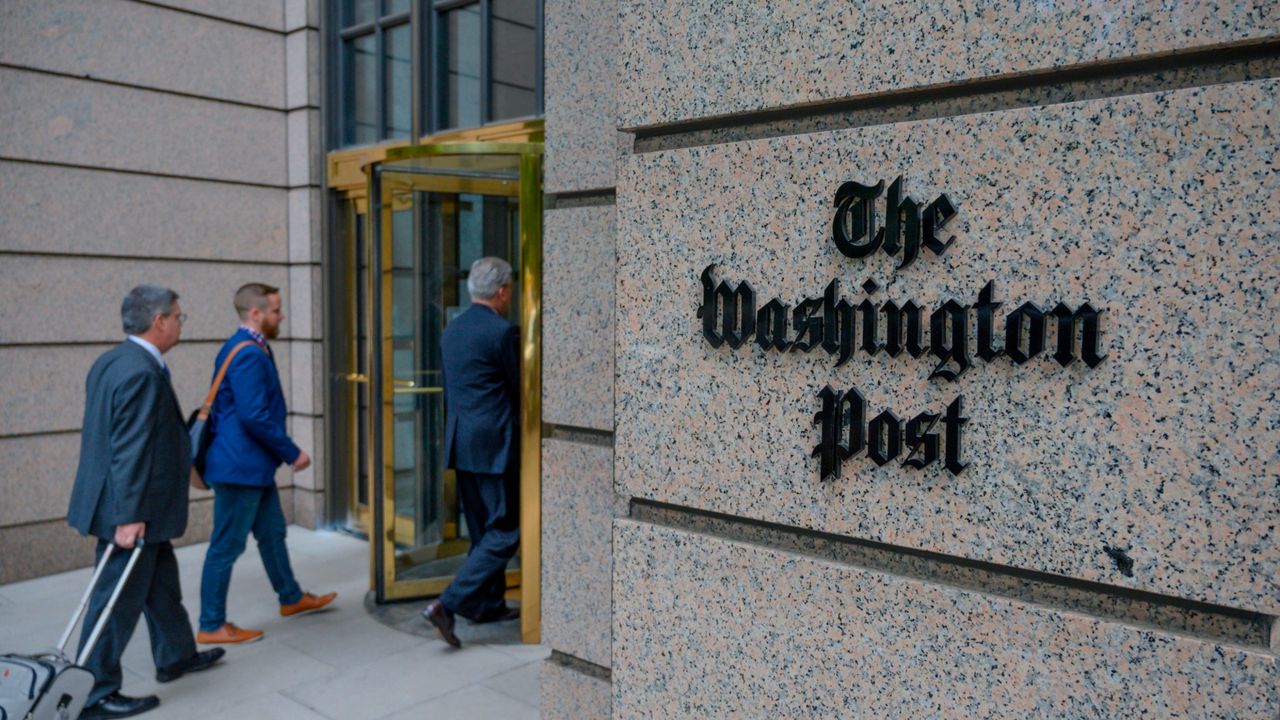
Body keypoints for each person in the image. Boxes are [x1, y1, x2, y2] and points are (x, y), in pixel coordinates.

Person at [67, 285, 225, 720]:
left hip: (137, 505)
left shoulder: (114, 360)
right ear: (159, 322)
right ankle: (94, 691)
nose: (180, 323)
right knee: (115, 600)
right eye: (178, 316)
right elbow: (130, 449)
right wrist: (129, 516)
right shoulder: (139, 372)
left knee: (161, 587)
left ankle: (176, 655)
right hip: (132, 509)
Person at [195, 283, 336, 644]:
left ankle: (291, 598)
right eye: (276, 310)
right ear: (255, 314)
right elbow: (254, 416)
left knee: (272, 534)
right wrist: (292, 452)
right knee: (226, 546)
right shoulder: (247, 354)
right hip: (240, 468)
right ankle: (211, 625)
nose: (281, 315)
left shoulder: (248, 347)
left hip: (251, 467)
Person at [422, 257, 522, 648]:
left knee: (482, 530)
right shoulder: (503, 332)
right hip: (496, 445)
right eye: (510, 290)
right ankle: (447, 604)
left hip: (462, 443)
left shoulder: (453, 330)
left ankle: (486, 605)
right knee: (505, 531)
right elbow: (519, 388)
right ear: (502, 292)